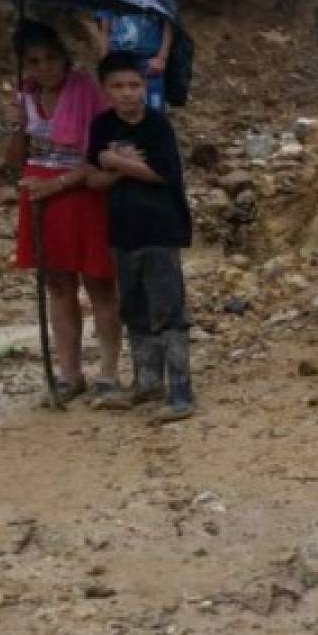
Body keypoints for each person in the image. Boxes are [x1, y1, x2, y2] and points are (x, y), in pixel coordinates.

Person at [2, 21, 120, 405]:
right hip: (38, 197)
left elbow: (100, 155)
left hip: (81, 192)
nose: (44, 68)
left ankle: (108, 371)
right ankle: (70, 373)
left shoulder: (86, 90)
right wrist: (16, 127)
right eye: (34, 61)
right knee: (57, 285)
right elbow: (14, 164)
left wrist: (56, 184)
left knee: (99, 282)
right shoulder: (26, 98)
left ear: (64, 58)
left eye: (51, 58)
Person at [86, 51, 195, 422]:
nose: (127, 93)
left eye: (134, 85)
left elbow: (163, 173)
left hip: (160, 228)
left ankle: (180, 387)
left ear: (145, 87)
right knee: (133, 306)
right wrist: (120, 169)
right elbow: (93, 177)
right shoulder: (101, 126)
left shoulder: (157, 125)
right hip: (122, 229)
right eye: (118, 86)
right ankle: (147, 381)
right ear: (104, 90)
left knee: (167, 307)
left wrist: (117, 162)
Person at [96, 0, 178, 111]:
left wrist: (162, 58)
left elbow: (168, 20)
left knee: (153, 111)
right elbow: (104, 30)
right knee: (119, 110)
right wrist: (104, 63)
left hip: (148, 61)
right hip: (118, 60)